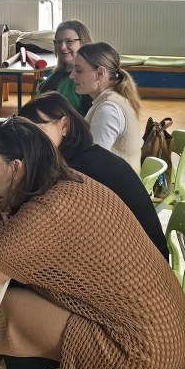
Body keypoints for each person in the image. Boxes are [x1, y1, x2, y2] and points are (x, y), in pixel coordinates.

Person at [0, 116, 185, 369]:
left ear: (16, 167)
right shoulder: (63, 181)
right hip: (162, 330)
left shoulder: (47, 212)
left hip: (144, 351)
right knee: (16, 303)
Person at [20, 92, 167, 257]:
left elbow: (47, 227)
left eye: (37, 130)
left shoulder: (77, 169)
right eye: (24, 132)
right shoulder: (81, 154)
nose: (29, 139)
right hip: (132, 253)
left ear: (64, 125)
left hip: (140, 262)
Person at [71, 41, 142, 172]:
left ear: (100, 73)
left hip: (115, 184)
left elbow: (94, 164)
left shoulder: (108, 110)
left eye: (79, 70)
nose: (72, 76)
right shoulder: (114, 98)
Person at [31, 19, 93, 115]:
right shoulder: (56, 72)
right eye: (58, 41)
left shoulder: (87, 81)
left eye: (70, 41)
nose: (62, 47)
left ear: (84, 43)